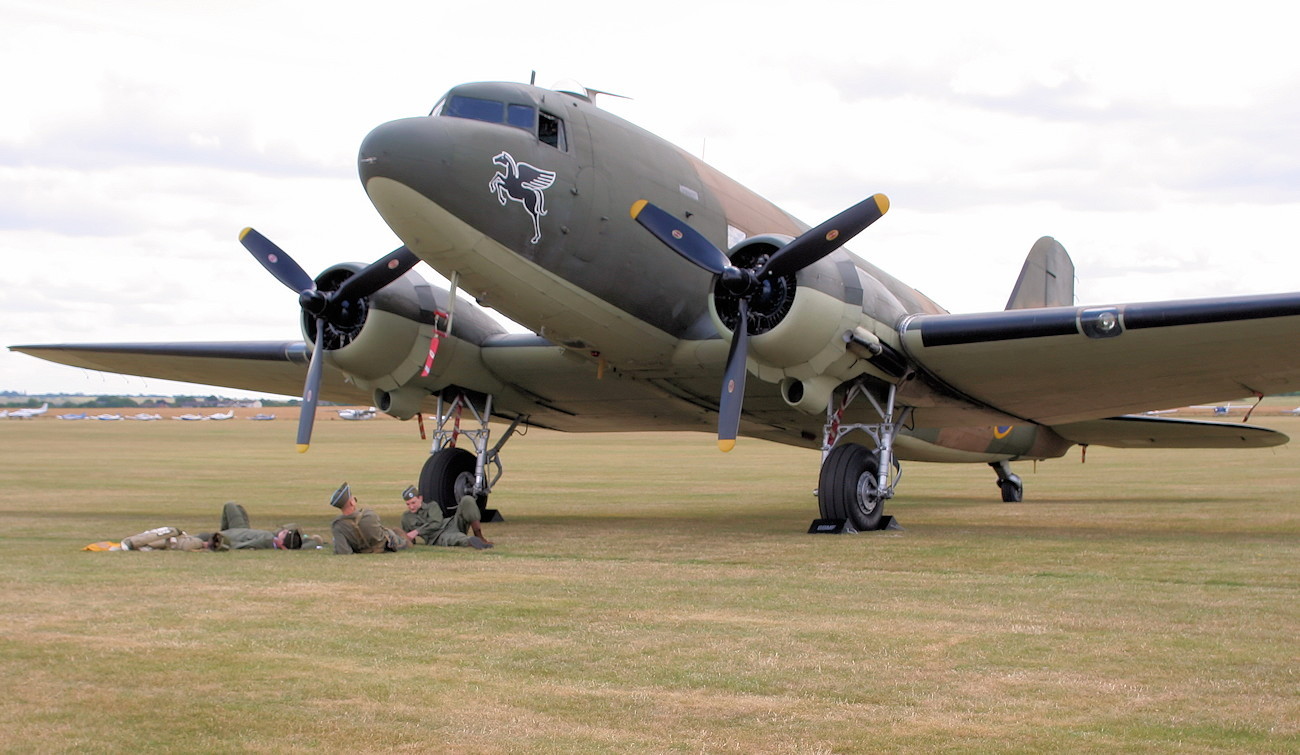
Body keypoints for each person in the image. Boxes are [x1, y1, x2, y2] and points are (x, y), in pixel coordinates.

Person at [399, 485, 493, 550]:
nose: (411, 507)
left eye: (413, 502)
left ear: (420, 498)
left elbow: (436, 523)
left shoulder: (432, 506)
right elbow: (409, 539)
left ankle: (479, 536)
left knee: (467, 500)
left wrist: (417, 531)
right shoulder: (406, 518)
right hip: (437, 537)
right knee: (455, 538)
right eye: (408, 504)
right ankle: (472, 542)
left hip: (451, 524)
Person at [329, 482, 409, 554]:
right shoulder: (369, 515)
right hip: (388, 545)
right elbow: (380, 536)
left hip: (363, 549)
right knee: (398, 534)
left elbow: (344, 551)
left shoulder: (338, 526)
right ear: (352, 502)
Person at [203, 501, 317, 551]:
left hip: (232, 535)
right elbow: (313, 542)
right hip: (241, 530)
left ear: (282, 543)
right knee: (237, 508)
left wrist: (219, 541)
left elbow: (242, 545)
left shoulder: (266, 540)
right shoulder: (274, 536)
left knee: (230, 505)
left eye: (285, 533)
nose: (284, 530)